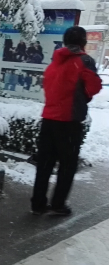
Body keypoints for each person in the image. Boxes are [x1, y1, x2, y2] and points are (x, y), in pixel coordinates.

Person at [31, 26, 102, 216]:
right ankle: (58, 204)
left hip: (48, 119)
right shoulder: (84, 61)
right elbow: (94, 86)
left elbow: (48, 86)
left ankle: (37, 204)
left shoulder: (54, 63)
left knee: (45, 164)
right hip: (69, 121)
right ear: (83, 42)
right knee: (67, 165)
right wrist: (82, 96)